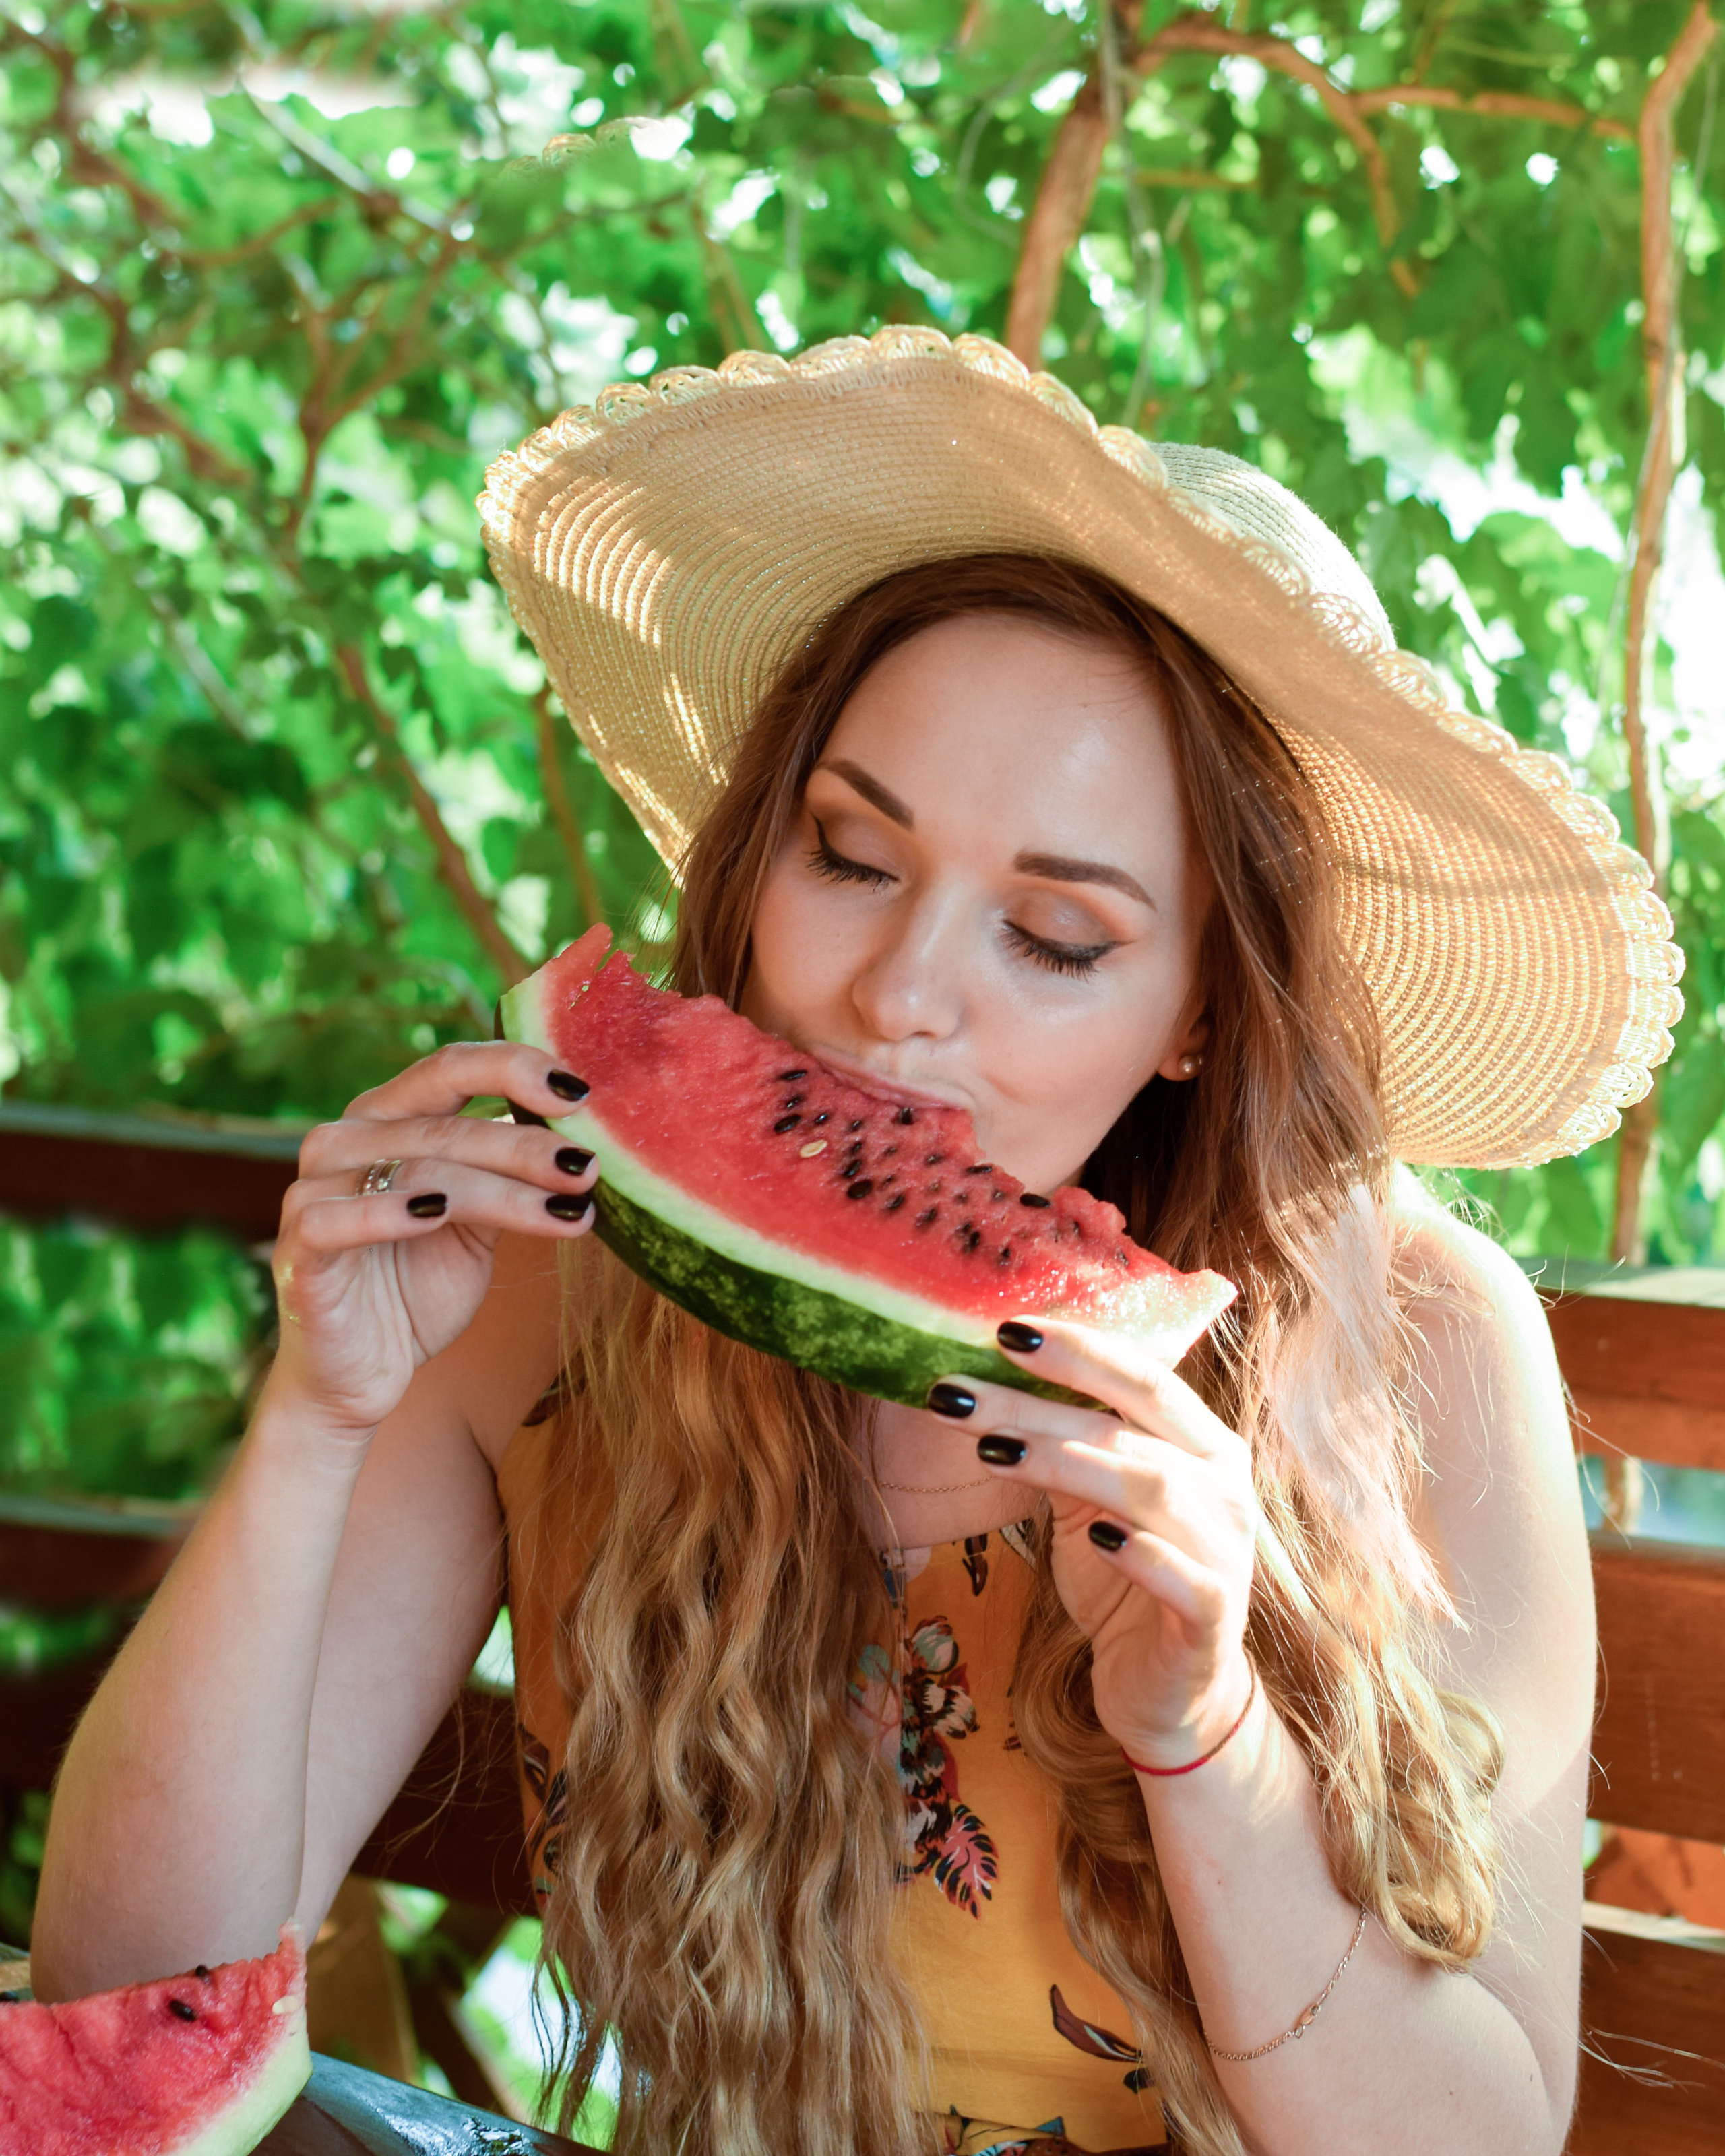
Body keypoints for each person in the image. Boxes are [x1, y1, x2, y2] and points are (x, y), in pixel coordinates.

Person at [33, 330, 1683, 2156]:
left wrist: (1205, 1735)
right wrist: (318, 1423)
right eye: (849, 852)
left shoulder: (1419, 1344)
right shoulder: (540, 1277)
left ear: (1205, 1004)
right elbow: (125, 2010)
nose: (896, 998)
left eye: (1053, 937)